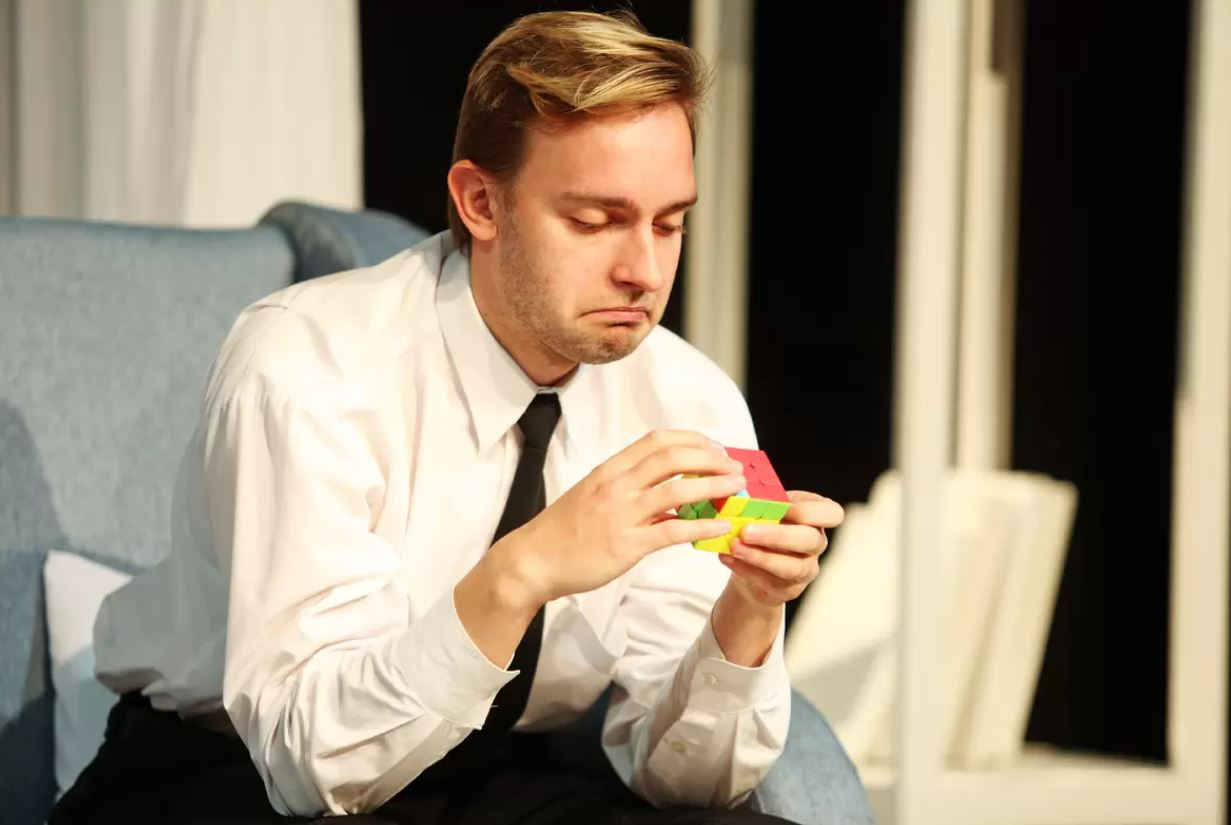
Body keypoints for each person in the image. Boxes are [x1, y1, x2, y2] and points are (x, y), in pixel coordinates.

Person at [49, 9, 847, 825]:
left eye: (669, 222)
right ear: (479, 202)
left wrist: (748, 610)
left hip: (492, 767)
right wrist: (525, 568)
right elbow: (309, 765)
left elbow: (683, 784)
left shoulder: (687, 397)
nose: (644, 269)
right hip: (225, 774)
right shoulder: (309, 366)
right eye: (594, 220)